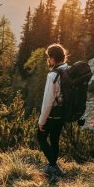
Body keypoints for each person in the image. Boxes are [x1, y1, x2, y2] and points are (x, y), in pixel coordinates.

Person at [37, 43, 68, 176]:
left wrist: (41, 121)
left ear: (53, 58)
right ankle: (52, 165)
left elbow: (48, 101)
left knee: (41, 138)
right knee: (55, 139)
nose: (48, 60)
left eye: (49, 57)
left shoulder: (52, 76)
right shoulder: (68, 69)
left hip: (53, 114)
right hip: (64, 113)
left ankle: (54, 166)